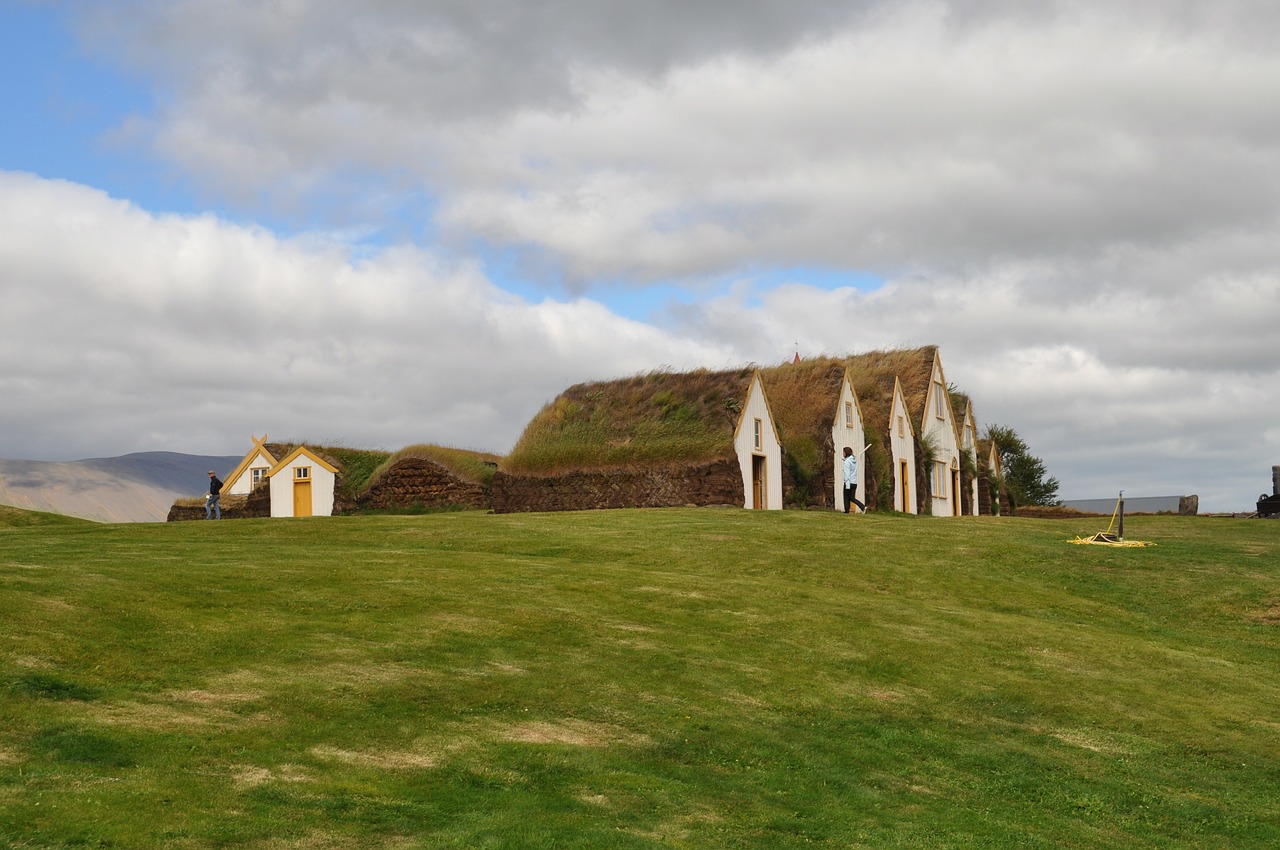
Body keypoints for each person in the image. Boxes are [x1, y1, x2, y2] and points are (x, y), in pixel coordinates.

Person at [842, 447, 865, 514]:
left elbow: (847, 473)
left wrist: (847, 483)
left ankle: (846, 510)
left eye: (843, 452)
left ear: (846, 453)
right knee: (851, 497)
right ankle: (862, 507)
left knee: (846, 497)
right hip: (854, 482)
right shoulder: (854, 461)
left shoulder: (847, 462)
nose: (843, 454)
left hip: (849, 482)